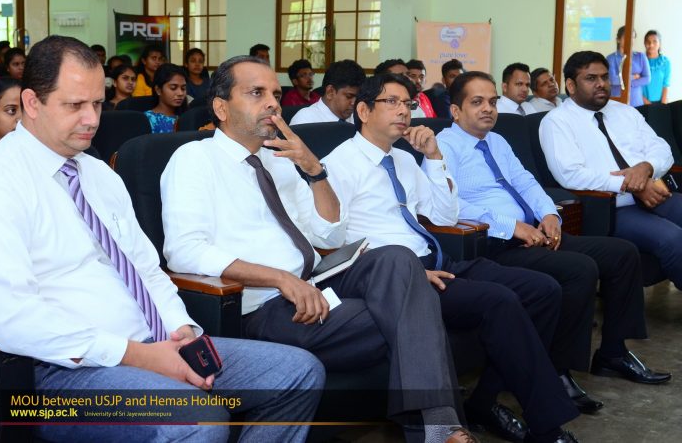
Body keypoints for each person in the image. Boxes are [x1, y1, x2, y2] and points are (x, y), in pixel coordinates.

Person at [0, 35, 325, 443]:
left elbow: (145, 269)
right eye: (74, 105)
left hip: (153, 342)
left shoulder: (98, 174)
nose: (92, 119)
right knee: (199, 420)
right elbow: (12, 319)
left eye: (97, 103)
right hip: (59, 372)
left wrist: (182, 330)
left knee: (299, 373)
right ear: (32, 103)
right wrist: (141, 357)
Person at [161, 54, 477, 443]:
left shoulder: (279, 160)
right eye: (257, 93)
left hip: (318, 281)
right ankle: (440, 428)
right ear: (221, 107)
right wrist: (281, 279)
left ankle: (435, 428)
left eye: (276, 94)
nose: (272, 104)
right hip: (265, 305)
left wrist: (314, 170)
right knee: (414, 307)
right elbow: (184, 251)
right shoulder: (193, 159)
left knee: (399, 258)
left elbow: (328, 235)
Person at [322, 72, 579, 443]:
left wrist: (434, 157)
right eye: (391, 102)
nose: (403, 111)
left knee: (543, 290)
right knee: (500, 301)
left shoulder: (404, 160)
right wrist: (404, 273)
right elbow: (333, 240)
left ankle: (484, 400)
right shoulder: (338, 165)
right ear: (363, 111)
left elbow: (444, 215)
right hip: (398, 278)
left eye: (408, 103)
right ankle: (547, 426)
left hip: (439, 261)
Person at [438, 70, 671, 414]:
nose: (488, 108)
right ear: (456, 111)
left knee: (622, 253)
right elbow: (449, 205)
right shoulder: (443, 147)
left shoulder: (497, 141)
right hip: (496, 244)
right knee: (580, 269)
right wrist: (512, 227)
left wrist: (549, 214)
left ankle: (613, 353)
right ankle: (557, 369)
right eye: (477, 102)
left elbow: (526, 182)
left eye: (492, 101)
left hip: (535, 233)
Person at [541, 50, 682, 295]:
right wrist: (631, 183)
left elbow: (662, 149)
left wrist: (645, 168)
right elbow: (570, 174)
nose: (601, 84)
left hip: (654, 193)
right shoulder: (556, 122)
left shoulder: (625, 112)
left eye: (605, 77)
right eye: (591, 78)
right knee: (673, 239)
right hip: (611, 209)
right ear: (571, 86)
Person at [290, 59, 366, 125]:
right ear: (330, 92)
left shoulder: (359, 118)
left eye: (358, 97)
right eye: (349, 96)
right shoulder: (304, 120)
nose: (354, 103)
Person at [606, 26, 650, 107]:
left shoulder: (641, 56)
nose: (630, 40)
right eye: (626, 37)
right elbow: (613, 80)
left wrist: (629, 83)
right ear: (618, 40)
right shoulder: (610, 58)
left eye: (633, 37)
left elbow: (647, 79)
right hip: (617, 102)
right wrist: (634, 77)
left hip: (636, 102)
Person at [145, 63, 187, 133]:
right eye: (173, 88)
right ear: (158, 90)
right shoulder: (147, 119)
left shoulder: (188, 117)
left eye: (183, 88)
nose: (180, 93)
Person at [642, 30, 671, 104]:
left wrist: (663, 105)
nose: (651, 44)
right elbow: (636, 86)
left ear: (659, 44)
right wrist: (647, 103)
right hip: (642, 103)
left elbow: (666, 84)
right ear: (644, 43)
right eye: (648, 42)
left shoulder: (665, 62)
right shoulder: (640, 61)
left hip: (661, 103)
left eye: (654, 41)